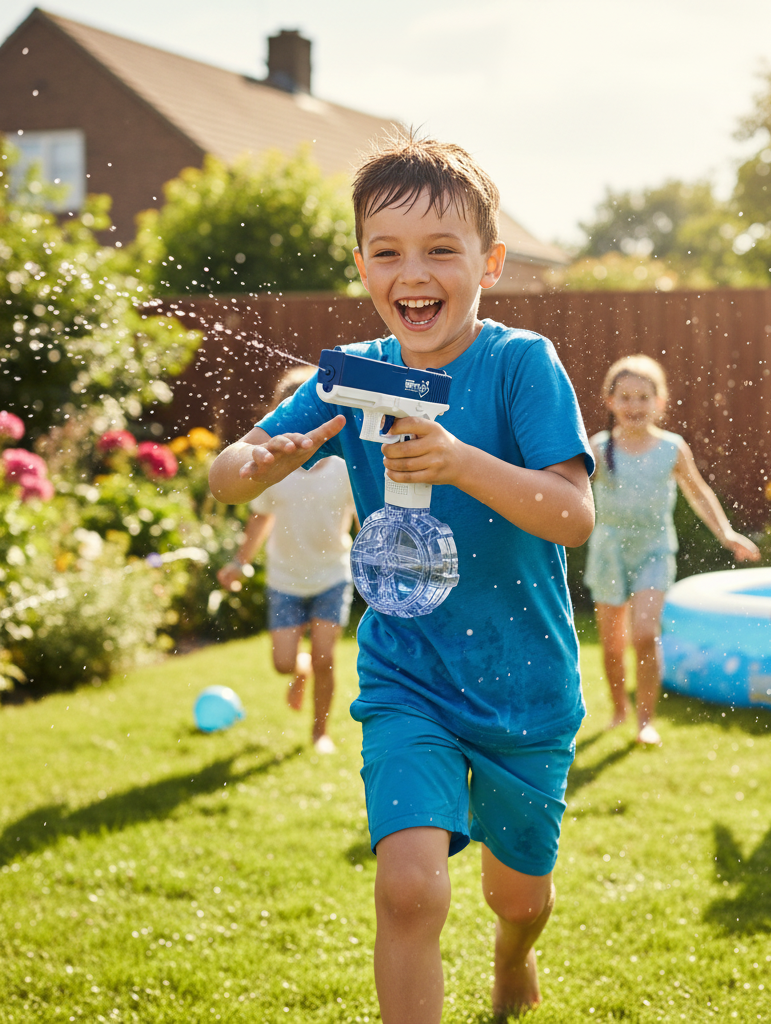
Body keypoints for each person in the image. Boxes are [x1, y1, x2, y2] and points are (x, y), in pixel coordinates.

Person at [208, 134, 595, 1024]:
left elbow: (572, 515)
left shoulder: (520, 365)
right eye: (387, 252)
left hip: (525, 682)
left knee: (519, 899)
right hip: (406, 673)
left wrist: (460, 461)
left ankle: (513, 961)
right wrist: (262, 457)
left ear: (489, 263)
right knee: (410, 890)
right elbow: (230, 476)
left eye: (439, 251)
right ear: (362, 267)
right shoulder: (350, 375)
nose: (411, 272)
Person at [584, 355, 760, 747]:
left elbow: (699, 493)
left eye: (643, 397)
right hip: (609, 549)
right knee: (612, 643)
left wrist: (726, 532)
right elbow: (571, 490)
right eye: (625, 397)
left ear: (660, 403)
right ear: (609, 401)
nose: (634, 406)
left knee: (645, 633)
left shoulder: (671, 449)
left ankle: (646, 719)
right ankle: (618, 710)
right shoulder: (597, 447)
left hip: (653, 549)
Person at [216, 365, 357, 756]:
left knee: (327, 655)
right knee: (283, 663)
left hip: (332, 574)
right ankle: (300, 671)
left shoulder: (346, 469)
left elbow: (367, 517)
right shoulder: (273, 472)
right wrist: (240, 561)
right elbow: (260, 520)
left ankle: (319, 732)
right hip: (285, 579)